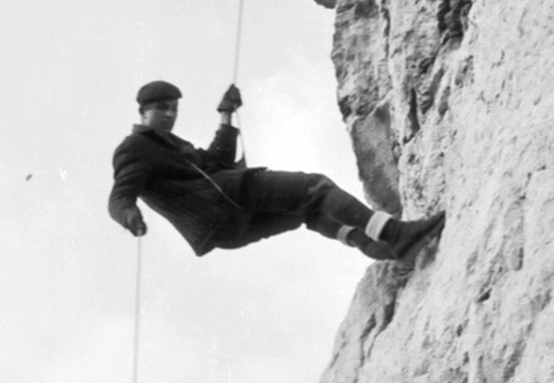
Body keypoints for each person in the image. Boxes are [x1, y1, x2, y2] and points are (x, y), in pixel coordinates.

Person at [108, 80, 445, 264]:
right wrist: (129, 215)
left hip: (225, 231)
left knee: (306, 210)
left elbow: (217, 162)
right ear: (142, 112)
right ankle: (397, 236)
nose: (169, 115)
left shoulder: (171, 143)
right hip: (227, 203)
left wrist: (225, 116)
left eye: (173, 109)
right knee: (315, 188)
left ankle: (373, 247)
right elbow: (120, 194)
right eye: (162, 110)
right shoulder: (134, 148)